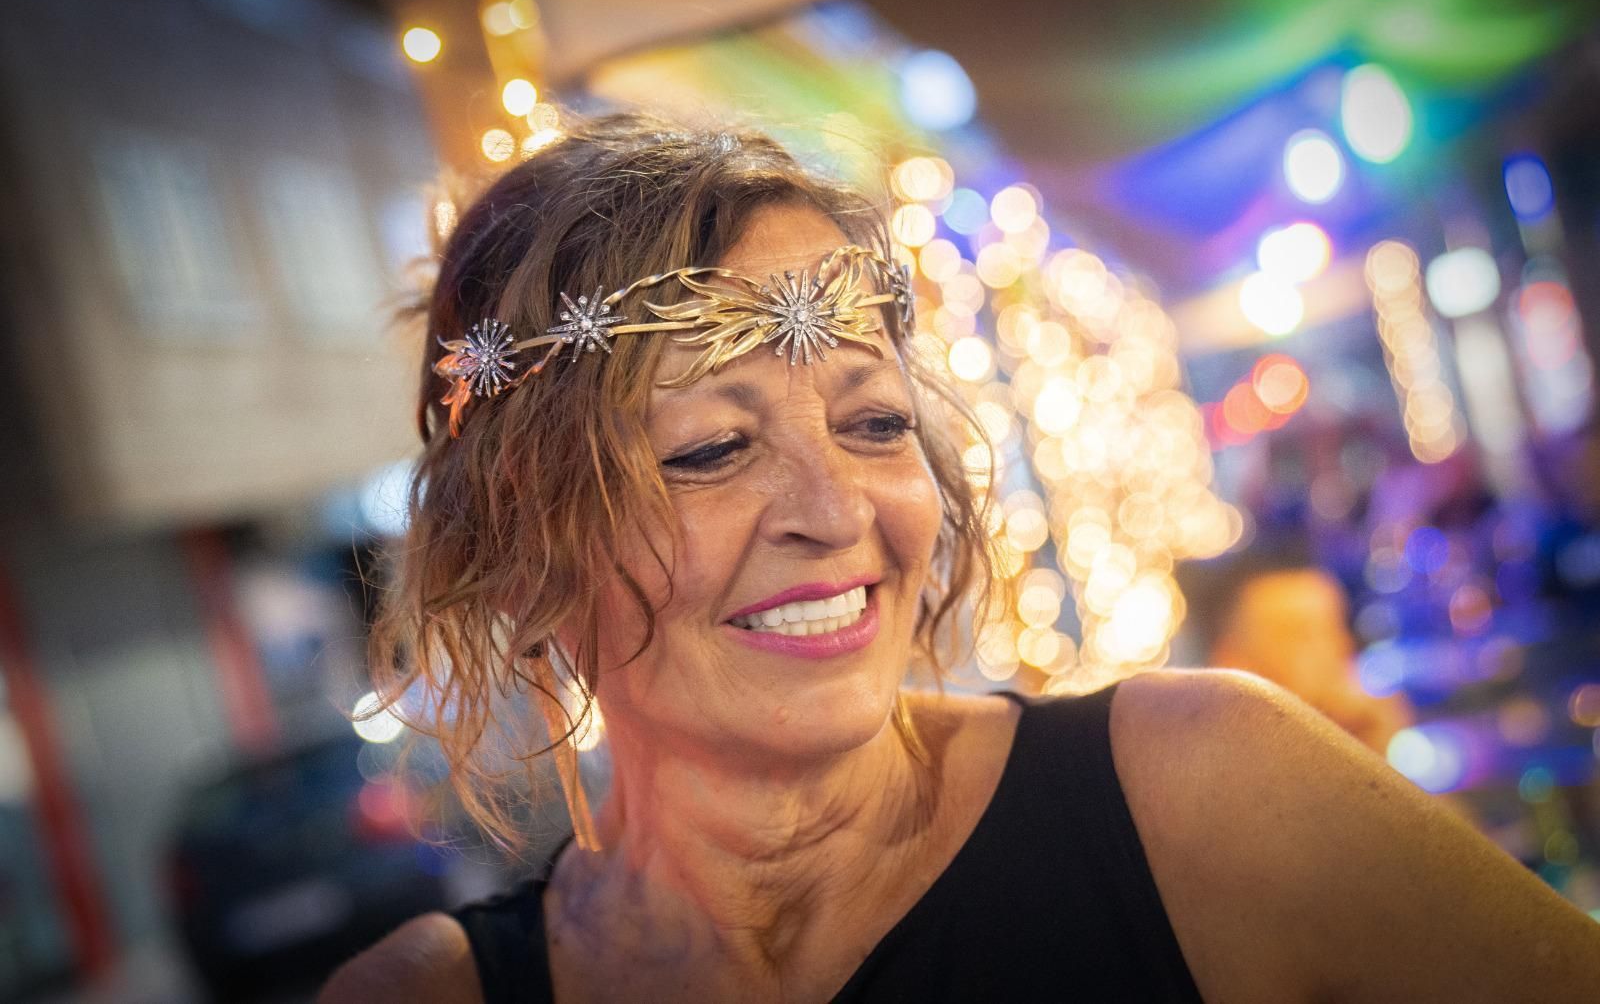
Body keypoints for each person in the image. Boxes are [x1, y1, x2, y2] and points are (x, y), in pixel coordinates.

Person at [320, 111, 1600, 1003]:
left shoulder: (1205, 796)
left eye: (875, 424)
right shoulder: (421, 995)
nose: (835, 509)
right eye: (709, 448)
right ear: (519, 545)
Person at [1175, 548, 1414, 755]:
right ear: (1233, 663)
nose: (1340, 647)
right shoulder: (1224, 783)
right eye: (1302, 634)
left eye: (1335, 626)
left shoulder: (1364, 731)